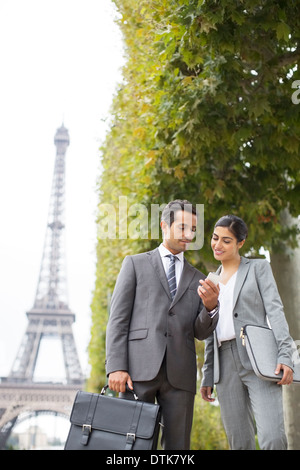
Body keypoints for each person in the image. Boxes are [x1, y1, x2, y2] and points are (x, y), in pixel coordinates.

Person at [106, 199, 219, 450]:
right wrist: (116, 366)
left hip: (180, 375)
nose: (189, 235)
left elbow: (200, 331)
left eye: (193, 229)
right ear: (164, 226)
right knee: (132, 445)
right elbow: (118, 319)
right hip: (136, 372)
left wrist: (211, 307)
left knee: (178, 448)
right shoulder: (134, 264)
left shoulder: (199, 279)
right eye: (182, 228)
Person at [200, 215, 294, 450]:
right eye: (214, 238)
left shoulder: (259, 268)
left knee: (273, 437)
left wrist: (286, 355)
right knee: (239, 443)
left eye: (226, 240)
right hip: (224, 364)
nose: (217, 245)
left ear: (241, 243)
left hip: (259, 359)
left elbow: (276, 311)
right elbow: (212, 329)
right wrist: (208, 373)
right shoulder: (210, 281)